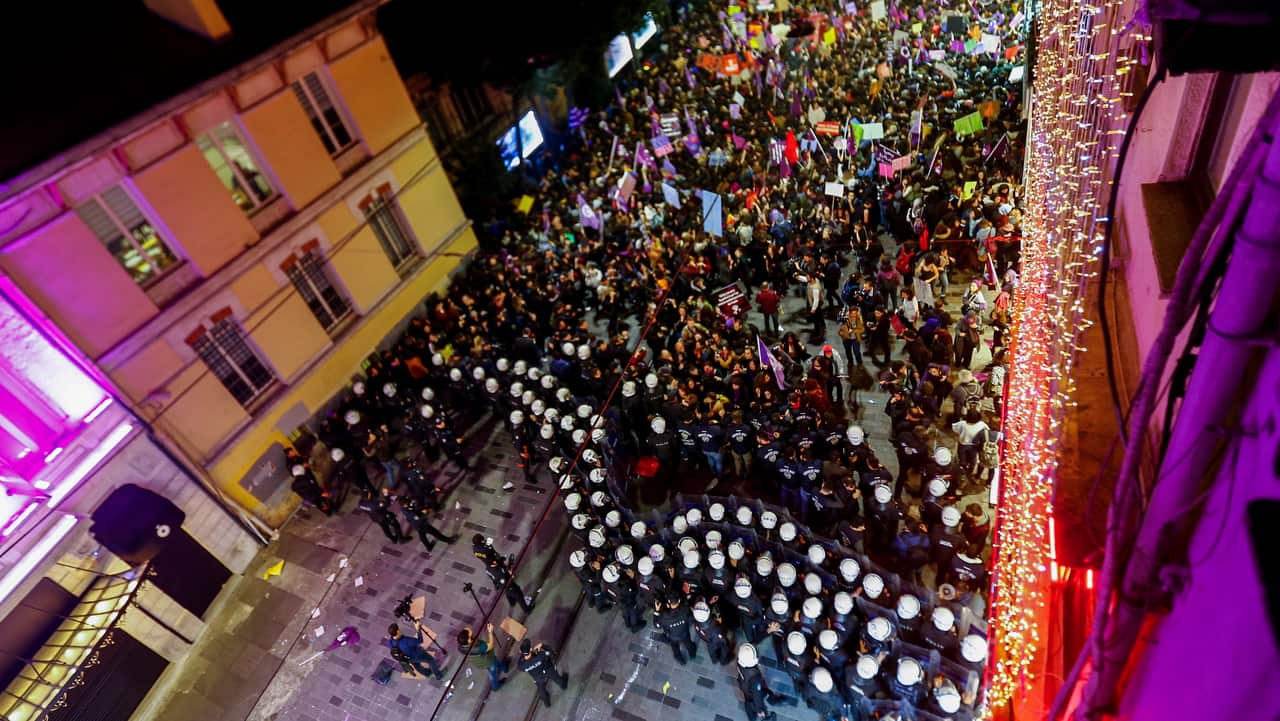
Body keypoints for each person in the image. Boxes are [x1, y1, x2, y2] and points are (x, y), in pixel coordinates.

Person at [517, 638, 568, 708]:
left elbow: (519, 664)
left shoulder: (521, 666)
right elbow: (551, 653)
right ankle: (563, 685)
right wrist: (542, 645)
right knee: (557, 678)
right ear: (530, 649)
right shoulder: (540, 655)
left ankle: (547, 703)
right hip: (548, 670)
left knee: (541, 689)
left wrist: (522, 654)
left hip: (537, 677)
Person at [457, 623, 509, 690]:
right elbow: (490, 645)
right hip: (488, 661)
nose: (474, 635)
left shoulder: (461, 647)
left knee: (496, 663)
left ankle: (504, 668)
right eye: (471, 636)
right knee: (493, 673)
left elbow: (466, 629)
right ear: (468, 640)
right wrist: (490, 632)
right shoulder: (476, 649)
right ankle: (495, 687)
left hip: (482, 661)